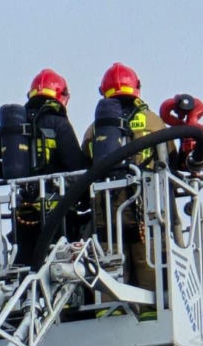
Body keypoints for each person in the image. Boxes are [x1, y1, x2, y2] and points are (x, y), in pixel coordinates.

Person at [82, 63, 174, 313]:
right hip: (144, 211)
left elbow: (83, 165)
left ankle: (108, 312)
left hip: (106, 214)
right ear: (137, 88)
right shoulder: (153, 122)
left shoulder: (95, 129)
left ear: (104, 91)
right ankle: (151, 313)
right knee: (148, 264)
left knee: (109, 264)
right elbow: (171, 159)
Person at [0, 69, 82, 265]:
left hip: (23, 216)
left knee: (23, 271)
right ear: (62, 97)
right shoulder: (60, 124)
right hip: (59, 220)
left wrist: (11, 174)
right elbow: (79, 169)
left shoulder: (14, 127)